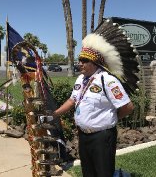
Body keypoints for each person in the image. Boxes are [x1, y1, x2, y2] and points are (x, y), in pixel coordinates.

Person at [44, 20, 139, 177]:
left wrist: (111, 120)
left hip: (102, 137)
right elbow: (72, 100)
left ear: (95, 63)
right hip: (83, 136)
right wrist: (54, 114)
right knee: (88, 172)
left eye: (84, 60)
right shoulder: (81, 79)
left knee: (103, 173)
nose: (80, 63)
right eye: (79, 60)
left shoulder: (107, 80)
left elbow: (128, 107)